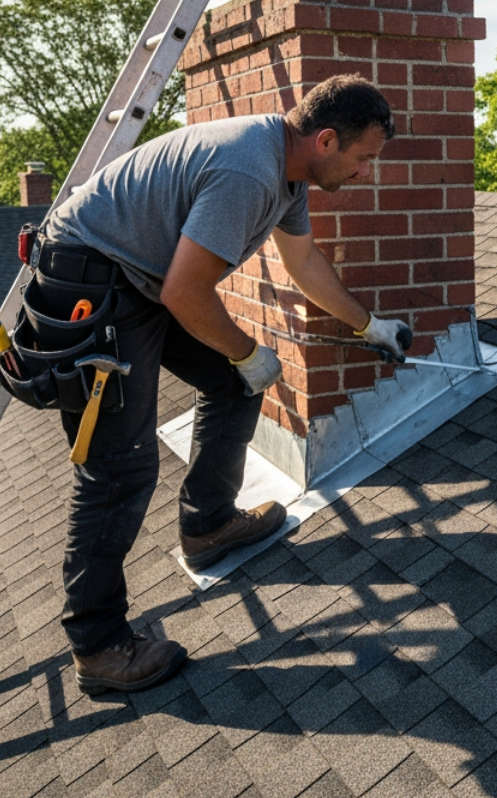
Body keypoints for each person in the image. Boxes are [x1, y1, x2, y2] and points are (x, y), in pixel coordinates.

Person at [32, 74, 411, 696]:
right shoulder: (248, 171)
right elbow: (186, 292)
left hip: (139, 277)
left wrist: (371, 327)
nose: (366, 172)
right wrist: (246, 352)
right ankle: (98, 644)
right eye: (364, 158)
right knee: (119, 467)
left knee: (235, 383)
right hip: (92, 280)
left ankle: (207, 524)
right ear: (324, 140)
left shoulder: (287, 173)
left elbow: (305, 263)